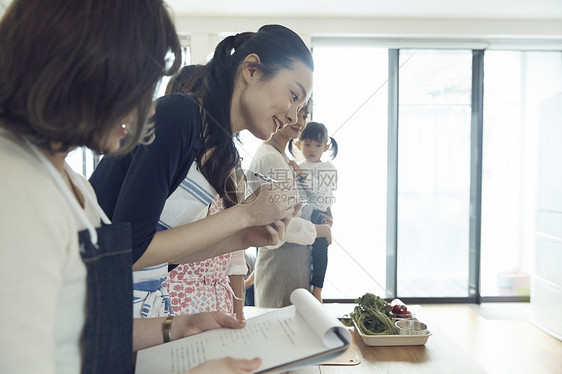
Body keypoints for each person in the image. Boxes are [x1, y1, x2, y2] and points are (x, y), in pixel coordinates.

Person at [0, 1, 262, 373]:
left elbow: (80, 329)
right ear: (80, 66)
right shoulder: (15, 190)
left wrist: (176, 326)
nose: (147, 109)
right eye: (138, 83)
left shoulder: (71, 184)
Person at [89, 25, 313, 318]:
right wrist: (245, 214)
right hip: (88, 307)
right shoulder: (179, 115)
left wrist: (244, 237)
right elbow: (127, 251)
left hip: (130, 314)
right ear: (252, 70)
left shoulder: (220, 150)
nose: (294, 116)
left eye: (302, 107)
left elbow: (161, 257)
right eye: (294, 96)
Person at [248, 104, 333, 308]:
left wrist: (323, 214)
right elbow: (275, 221)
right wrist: (319, 229)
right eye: (296, 112)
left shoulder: (283, 158)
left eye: (304, 115)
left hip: (292, 260)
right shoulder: (271, 158)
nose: (299, 121)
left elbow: (300, 204)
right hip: (282, 262)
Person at [291, 121, 338, 302]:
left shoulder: (328, 168)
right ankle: (257, 272)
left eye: (318, 145)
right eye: (307, 144)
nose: (312, 149)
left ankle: (317, 289)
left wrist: (302, 173)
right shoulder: (297, 166)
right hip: (301, 213)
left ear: (326, 147)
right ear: (298, 144)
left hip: (320, 214)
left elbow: (322, 193)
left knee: (320, 250)